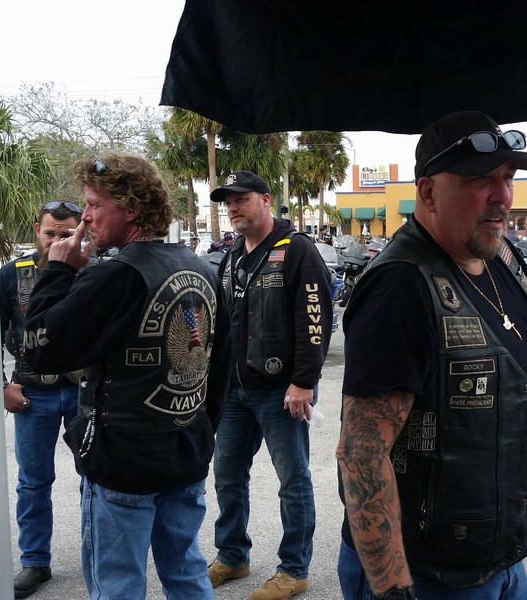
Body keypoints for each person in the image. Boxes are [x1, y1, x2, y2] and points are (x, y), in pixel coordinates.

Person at [335, 110, 527, 600]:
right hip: (428, 575)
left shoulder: (499, 258)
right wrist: (392, 589)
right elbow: (362, 451)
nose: (502, 195)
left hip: (500, 562)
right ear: (428, 193)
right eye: (480, 179)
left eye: (507, 177)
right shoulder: (400, 287)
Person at [22, 150, 231, 599]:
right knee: (186, 571)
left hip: (123, 460)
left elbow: (39, 349)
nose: (86, 217)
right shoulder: (200, 267)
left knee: (117, 584)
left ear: (132, 208)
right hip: (185, 451)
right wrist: (197, 429)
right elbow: (218, 368)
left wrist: (57, 272)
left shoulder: (115, 275)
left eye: (94, 204)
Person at [207, 170, 334, 600]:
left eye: (240, 198)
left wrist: (303, 381)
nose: (232, 207)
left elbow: (314, 319)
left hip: (281, 391)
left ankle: (294, 569)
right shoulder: (232, 254)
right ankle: (232, 556)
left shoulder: (297, 249)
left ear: (265, 199)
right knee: (227, 475)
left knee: (292, 481)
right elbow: (225, 321)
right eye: (228, 201)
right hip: (234, 390)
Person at [0, 200, 83, 598]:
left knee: (96, 478)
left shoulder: (95, 269)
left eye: (66, 233)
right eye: (50, 233)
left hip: (86, 391)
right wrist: (2, 385)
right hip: (31, 393)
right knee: (32, 481)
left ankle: (98, 553)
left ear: (80, 230)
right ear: (37, 231)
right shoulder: (11, 274)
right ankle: (35, 561)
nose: (57, 240)